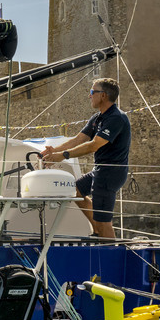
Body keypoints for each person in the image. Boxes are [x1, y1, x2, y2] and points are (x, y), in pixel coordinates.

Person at [41, 77, 130, 239]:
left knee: (104, 221)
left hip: (110, 173)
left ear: (103, 95)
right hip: (100, 171)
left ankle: (110, 251)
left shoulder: (116, 118)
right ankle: (97, 231)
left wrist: (62, 156)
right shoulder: (97, 118)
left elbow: (93, 145)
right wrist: (53, 151)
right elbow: (79, 139)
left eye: (92, 92)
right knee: (74, 191)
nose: (89, 96)